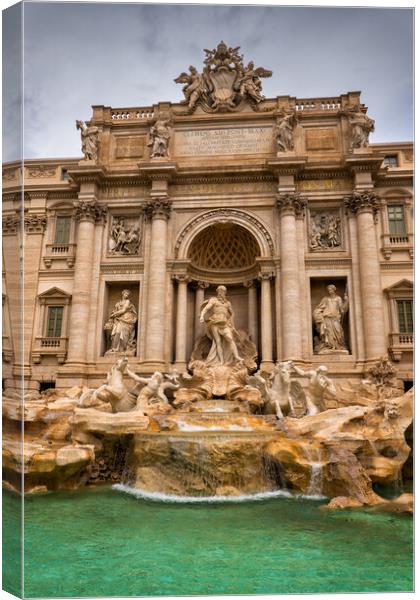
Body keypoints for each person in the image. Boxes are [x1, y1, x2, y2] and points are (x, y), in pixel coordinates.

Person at [199, 285, 242, 365]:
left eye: (223, 291)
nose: (221, 292)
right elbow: (207, 308)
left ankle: (236, 356)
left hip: (224, 323)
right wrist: (202, 316)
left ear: (225, 292)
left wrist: (231, 323)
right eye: (220, 291)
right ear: (217, 292)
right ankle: (221, 361)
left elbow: (232, 313)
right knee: (217, 341)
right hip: (214, 322)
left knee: (230, 338)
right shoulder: (213, 300)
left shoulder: (228, 303)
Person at [313, 284, 349, 354]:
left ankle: (338, 346)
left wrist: (346, 301)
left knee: (338, 332)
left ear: (334, 290)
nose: (330, 291)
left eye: (331, 289)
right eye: (329, 290)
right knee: (328, 333)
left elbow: (342, 310)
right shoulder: (325, 299)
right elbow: (319, 308)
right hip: (327, 318)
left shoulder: (338, 299)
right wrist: (318, 315)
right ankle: (329, 346)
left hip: (335, 318)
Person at [105, 290, 137, 354]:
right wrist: (114, 314)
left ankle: (122, 349)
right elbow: (116, 310)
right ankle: (115, 348)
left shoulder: (127, 302)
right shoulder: (118, 303)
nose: (126, 295)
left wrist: (114, 314)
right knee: (116, 332)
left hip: (127, 319)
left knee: (123, 333)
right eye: (125, 294)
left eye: (127, 295)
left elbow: (123, 310)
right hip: (119, 319)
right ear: (123, 294)